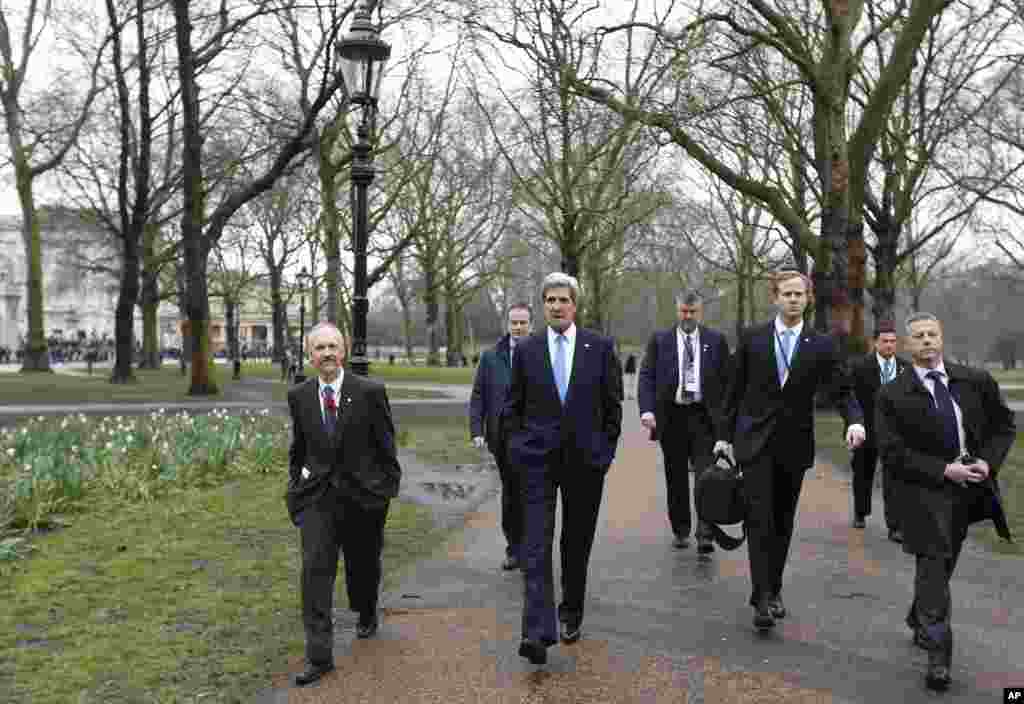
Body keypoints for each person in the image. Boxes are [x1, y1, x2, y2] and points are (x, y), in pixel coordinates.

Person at [714, 270, 865, 631]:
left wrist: (854, 421)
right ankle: (762, 597)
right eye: (787, 294)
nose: (793, 299)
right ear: (775, 297)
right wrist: (723, 435)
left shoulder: (821, 344)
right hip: (754, 443)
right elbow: (733, 391)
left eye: (799, 294)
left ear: (809, 298)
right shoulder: (753, 339)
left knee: (782, 521)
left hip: (794, 445)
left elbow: (843, 390)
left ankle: (774, 587)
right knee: (759, 518)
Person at [875, 312, 1015, 691]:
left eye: (931, 334)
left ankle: (919, 614)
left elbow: (1004, 425)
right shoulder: (892, 394)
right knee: (935, 559)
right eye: (918, 336)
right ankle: (939, 658)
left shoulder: (974, 380)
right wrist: (942, 470)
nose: (926, 341)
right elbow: (890, 451)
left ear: (942, 338)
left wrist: (988, 461)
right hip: (922, 490)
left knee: (942, 560)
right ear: (907, 344)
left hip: (969, 489)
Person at [503, 272, 623, 665]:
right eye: (550, 300)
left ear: (575, 304)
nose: (556, 306)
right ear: (543, 306)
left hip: (585, 463)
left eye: (563, 300)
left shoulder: (600, 348)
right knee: (535, 546)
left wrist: (603, 454)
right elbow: (512, 409)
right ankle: (536, 632)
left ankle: (571, 611)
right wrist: (520, 449)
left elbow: (612, 408)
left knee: (575, 543)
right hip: (536, 463)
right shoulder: (527, 350)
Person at [285, 322, 402, 687]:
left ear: (345, 350)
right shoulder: (300, 395)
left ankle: (366, 609)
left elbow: (386, 447)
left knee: (363, 567)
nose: (327, 354)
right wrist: (297, 489)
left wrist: (384, 491)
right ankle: (319, 655)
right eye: (319, 348)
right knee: (314, 573)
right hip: (318, 499)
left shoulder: (369, 392)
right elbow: (299, 448)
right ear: (310, 355)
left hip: (364, 499)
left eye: (333, 346)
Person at [638, 290, 731, 554]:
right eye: (683, 311)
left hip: (704, 418)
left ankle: (705, 532)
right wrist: (647, 410)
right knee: (675, 476)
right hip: (672, 418)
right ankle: (680, 528)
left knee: (706, 477)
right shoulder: (660, 341)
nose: (688, 316)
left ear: (700, 312)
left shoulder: (716, 341)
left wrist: (727, 423)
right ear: (677, 310)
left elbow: (728, 382)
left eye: (693, 312)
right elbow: (646, 376)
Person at [469, 303, 532, 570]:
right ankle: (514, 549)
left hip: (533, 436)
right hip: (503, 437)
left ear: (531, 324)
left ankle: (532, 549)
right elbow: (479, 395)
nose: (518, 327)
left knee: (533, 494)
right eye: (514, 322)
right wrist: (476, 431)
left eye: (523, 323)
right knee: (511, 493)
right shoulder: (491, 357)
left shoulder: (542, 353)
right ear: (507, 324)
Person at [849, 320, 909, 540]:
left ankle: (895, 525)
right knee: (862, 472)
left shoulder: (905, 368)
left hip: (895, 433)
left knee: (894, 477)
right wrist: (854, 426)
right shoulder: (859, 367)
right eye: (885, 341)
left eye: (893, 341)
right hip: (867, 430)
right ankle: (860, 512)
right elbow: (851, 400)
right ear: (875, 342)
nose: (889, 345)